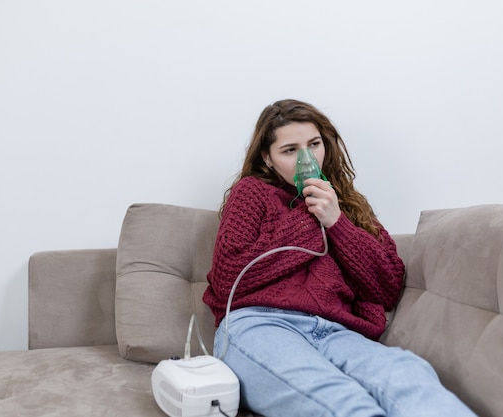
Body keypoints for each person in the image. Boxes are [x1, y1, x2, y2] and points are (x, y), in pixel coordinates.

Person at [202, 99, 476, 417]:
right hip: (259, 325)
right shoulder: (251, 193)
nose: (307, 158)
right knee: (342, 402)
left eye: (314, 144)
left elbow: (387, 286)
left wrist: (337, 222)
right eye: (290, 150)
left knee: (408, 377)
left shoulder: (346, 203)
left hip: (335, 331)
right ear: (268, 157)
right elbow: (228, 277)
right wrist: (309, 217)